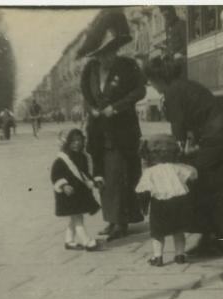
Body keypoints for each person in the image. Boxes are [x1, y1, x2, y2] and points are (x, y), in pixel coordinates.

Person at [144, 57, 223, 256]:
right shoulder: (183, 85)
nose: (151, 85)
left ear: (158, 78)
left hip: (214, 139)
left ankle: (212, 240)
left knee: (195, 183)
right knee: (211, 187)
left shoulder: (172, 92)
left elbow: (178, 130)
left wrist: (174, 158)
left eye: (151, 81)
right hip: (220, 137)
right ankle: (215, 238)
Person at [78, 10, 146, 241]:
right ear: (96, 55)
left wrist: (116, 107)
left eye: (112, 51)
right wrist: (92, 109)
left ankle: (121, 221)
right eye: (104, 54)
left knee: (119, 175)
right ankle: (111, 220)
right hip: (98, 132)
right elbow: (86, 95)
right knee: (102, 176)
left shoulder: (127, 66)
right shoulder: (90, 70)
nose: (109, 57)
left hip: (122, 130)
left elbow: (140, 90)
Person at [136, 134, 198, 266]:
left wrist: (144, 206)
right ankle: (180, 255)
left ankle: (158, 257)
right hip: (179, 203)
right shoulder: (180, 167)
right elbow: (193, 176)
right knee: (178, 230)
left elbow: (143, 191)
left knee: (158, 233)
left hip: (159, 204)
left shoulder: (150, 172)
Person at [51, 129, 100, 251]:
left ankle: (69, 240)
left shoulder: (84, 156)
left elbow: (87, 172)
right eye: (73, 141)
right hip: (69, 193)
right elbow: (55, 175)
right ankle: (87, 241)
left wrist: (95, 181)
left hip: (79, 192)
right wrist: (63, 185)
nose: (77, 143)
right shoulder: (62, 159)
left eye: (79, 140)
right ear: (67, 143)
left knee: (75, 217)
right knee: (78, 217)